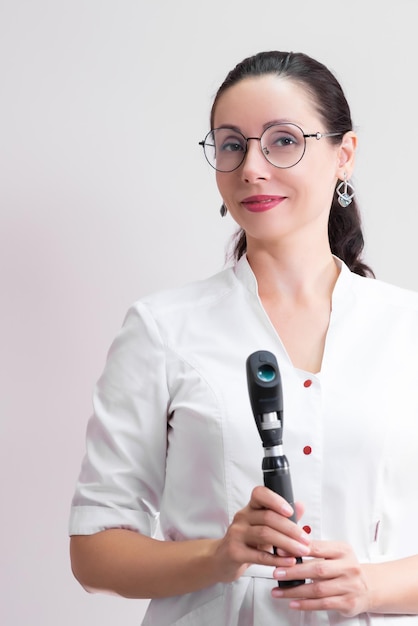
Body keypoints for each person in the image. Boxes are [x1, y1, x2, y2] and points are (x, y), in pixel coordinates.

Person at [69, 51, 418, 625]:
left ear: (344, 155)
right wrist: (218, 556)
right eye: (232, 145)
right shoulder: (162, 330)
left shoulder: (406, 330)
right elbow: (93, 549)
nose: (252, 167)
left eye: (283, 141)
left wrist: (369, 587)